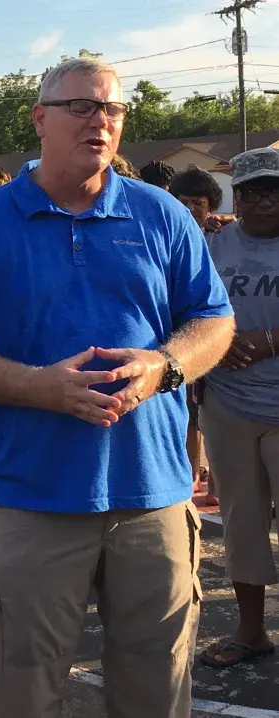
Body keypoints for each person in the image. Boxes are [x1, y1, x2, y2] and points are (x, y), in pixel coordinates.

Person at [0, 57, 235, 718]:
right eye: (81, 107)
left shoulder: (161, 214)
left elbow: (214, 321)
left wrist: (164, 366)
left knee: (156, 689)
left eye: (112, 109)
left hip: (152, 497)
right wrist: (41, 387)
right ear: (40, 119)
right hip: (34, 499)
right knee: (22, 690)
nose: (100, 121)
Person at [198, 147, 279, 669]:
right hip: (228, 406)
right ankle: (252, 631)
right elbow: (189, 307)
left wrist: (270, 339)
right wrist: (217, 342)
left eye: (275, 191)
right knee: (241, 524)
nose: (266, 201)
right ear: (237, 197)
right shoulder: (211, 246)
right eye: (253, 192)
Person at [169, 165, 226, 506]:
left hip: (216, 339)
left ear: (211, 207)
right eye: (184, 201)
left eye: (198, 203)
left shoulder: (221, 237)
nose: (190, 209)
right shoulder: (168, 235)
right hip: (180, 339)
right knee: (191, 413)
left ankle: (216, 483)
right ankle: (191, 473)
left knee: (215, 414)